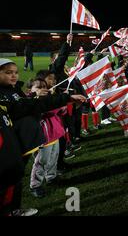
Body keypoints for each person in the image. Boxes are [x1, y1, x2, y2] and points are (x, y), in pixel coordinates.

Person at [0, 63, 86, 216]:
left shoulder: (12, 91)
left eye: (15, 72)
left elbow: (33, 105)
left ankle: (13, 210)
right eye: (8, 72)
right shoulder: (5, 95)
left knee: (14, 179)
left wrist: (66, 98)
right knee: (7, 181)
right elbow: (31, 105)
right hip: (6, 147)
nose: (13, 75)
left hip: (17, 145)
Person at [27, 78, 66, 198]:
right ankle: (35, 185)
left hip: (55, 135)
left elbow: (59, 113)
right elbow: (47, 112)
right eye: (38, 87)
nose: (43, 89)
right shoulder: (30, 102)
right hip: (43, 138)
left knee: (54, 158)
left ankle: (51, 177)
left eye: (44, 87)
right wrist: (60, 102)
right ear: (30, 90)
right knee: (41, 162)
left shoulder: (49, 99)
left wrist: (62, 107)